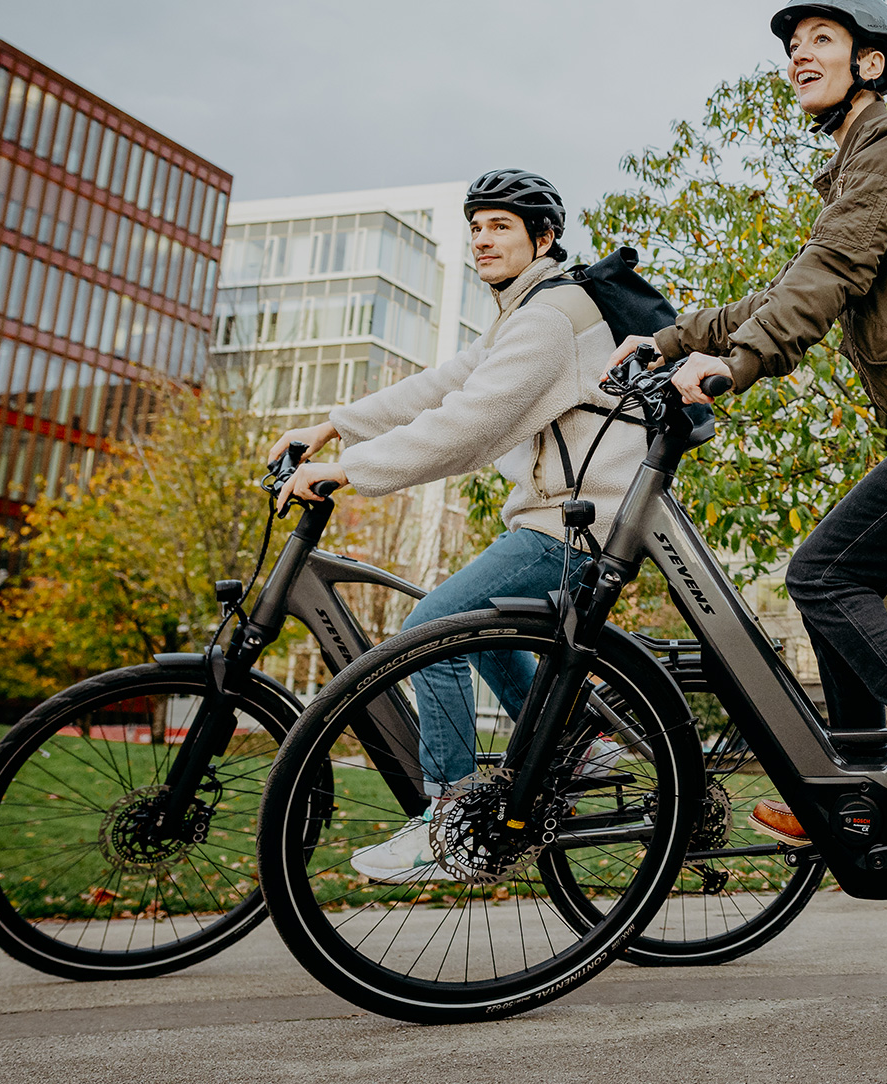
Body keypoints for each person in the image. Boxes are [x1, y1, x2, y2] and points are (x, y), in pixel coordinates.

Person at [606, 0, 887, 894]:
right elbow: (793, 281)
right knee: (827, 577)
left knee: (826, 573)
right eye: (791, 44)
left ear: (870, 61)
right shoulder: (859, 165)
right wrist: (667, 342)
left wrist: (733, 368)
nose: (797, 55)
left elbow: (831, 272)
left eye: (820, 38)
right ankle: (854, 792)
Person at [269, 169, 644, 881]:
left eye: (500, 225)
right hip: (559, 519)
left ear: (545, 238)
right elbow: (441, 386)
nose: (481, 239)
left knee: (432, 630)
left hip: (577, 527)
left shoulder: (550, 318)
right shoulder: (525, 314)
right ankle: (581, 739)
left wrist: (350, 470)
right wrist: (333, 425)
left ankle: (449, 818)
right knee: (471, 623)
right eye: (475, 226)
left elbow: (469, 424)